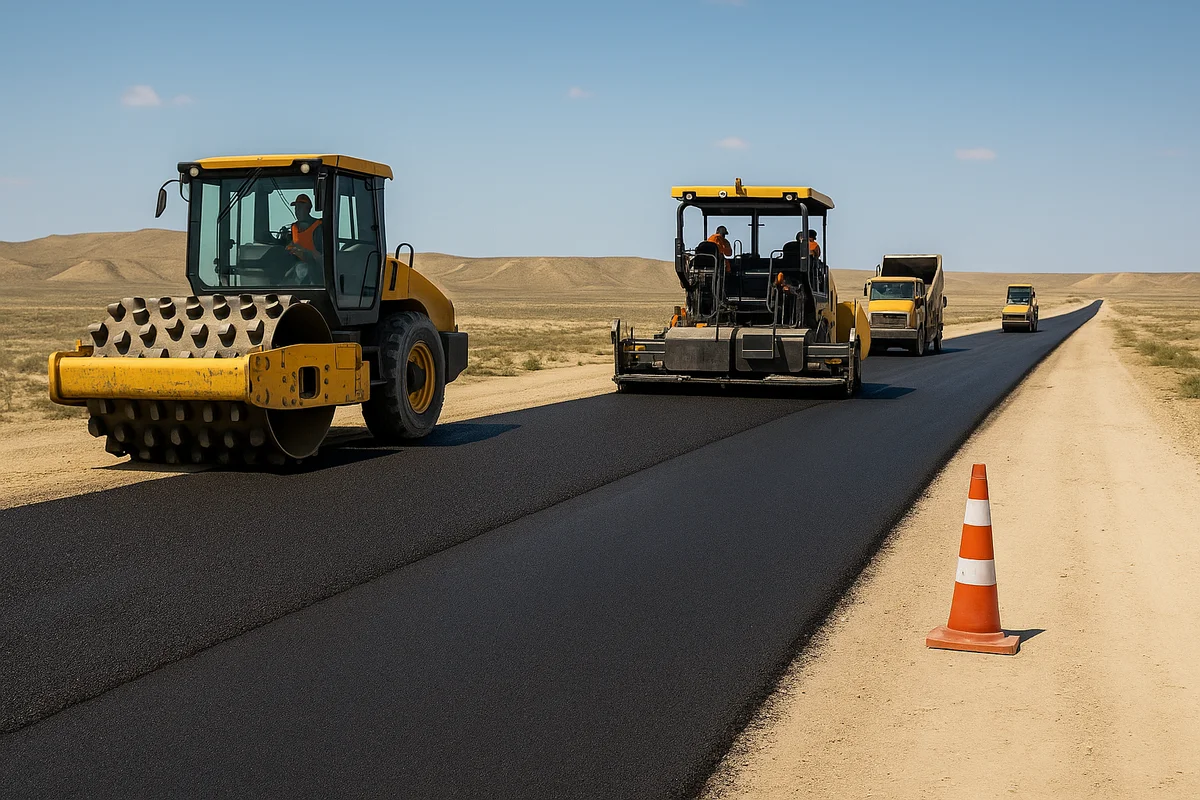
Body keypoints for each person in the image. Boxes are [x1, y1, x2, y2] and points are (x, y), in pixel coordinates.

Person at [283, 194, 323, 284]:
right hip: (296, 264)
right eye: (296, 208)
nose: (297, 211)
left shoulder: (318, 226)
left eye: (300, 208)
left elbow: (321, 254)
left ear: (308, 209)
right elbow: (292, 244)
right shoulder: (294, 227)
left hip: (314, 267)